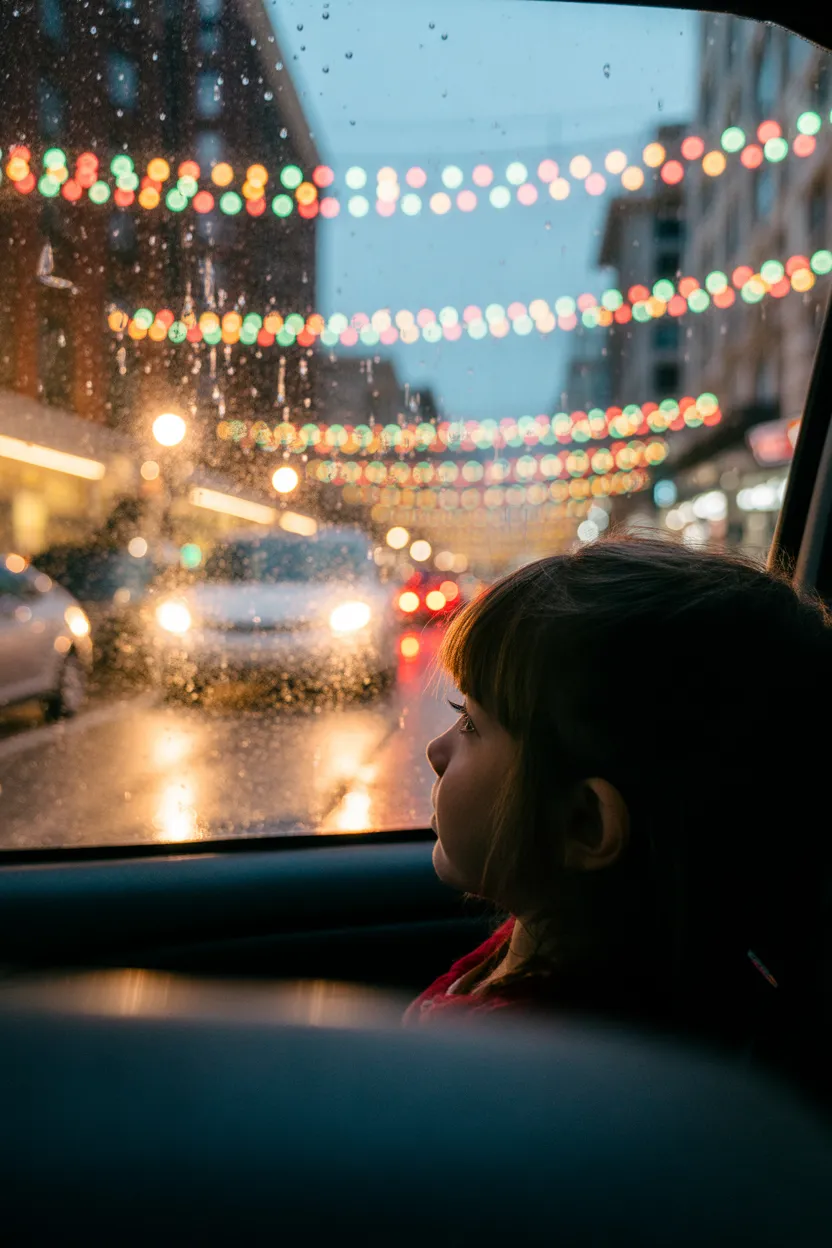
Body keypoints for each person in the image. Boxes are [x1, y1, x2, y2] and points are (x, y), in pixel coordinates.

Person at [403, 536, 832, 1106]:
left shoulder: (534, 1078)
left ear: (584, 824)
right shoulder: (550, 941)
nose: (436, 751)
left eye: (471, 724)